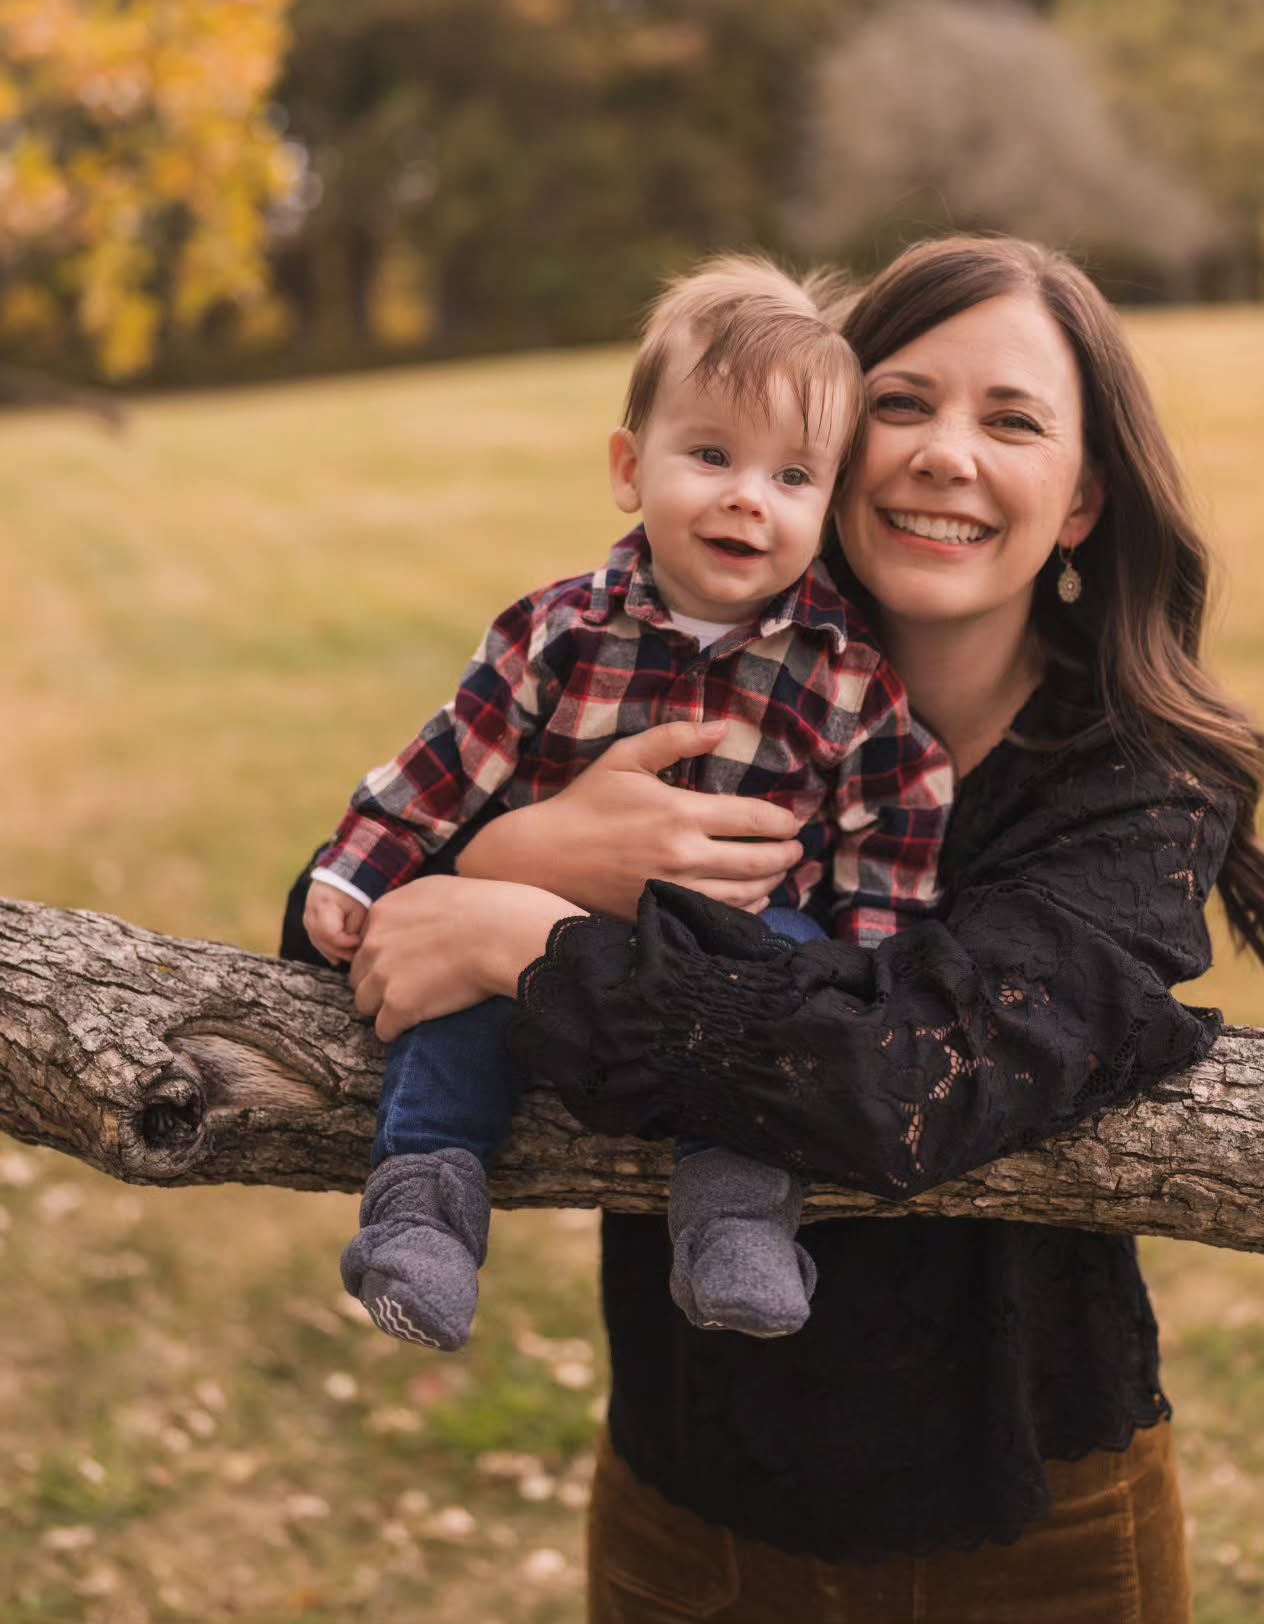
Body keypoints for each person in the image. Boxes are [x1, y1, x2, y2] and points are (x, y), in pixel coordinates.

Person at [289, 234, 1264, 1621]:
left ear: (1081, 502)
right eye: (903, 404)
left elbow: (896, 1082)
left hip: (1024, 1517)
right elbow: (334, 933)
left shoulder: (1133, 792)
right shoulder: (661, 674)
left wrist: (530, 941)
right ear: (827, 432)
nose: (945, 454)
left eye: (1011, 420)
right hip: (688, 1481)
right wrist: (513, 850)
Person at [301, 254, 952, 1354]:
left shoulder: (847, 675)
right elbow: (448, 764)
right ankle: (425, 1211)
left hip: (747, 942)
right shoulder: (557, 633)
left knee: (783, 1002)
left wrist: (869, 962)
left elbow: (891, 816)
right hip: (548, 935)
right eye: (711, 455)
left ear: (829, 504)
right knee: (458, 1013)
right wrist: (351, 870)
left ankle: (736, 1223)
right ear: (627, 467)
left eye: (794, 478)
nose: (749, 494)